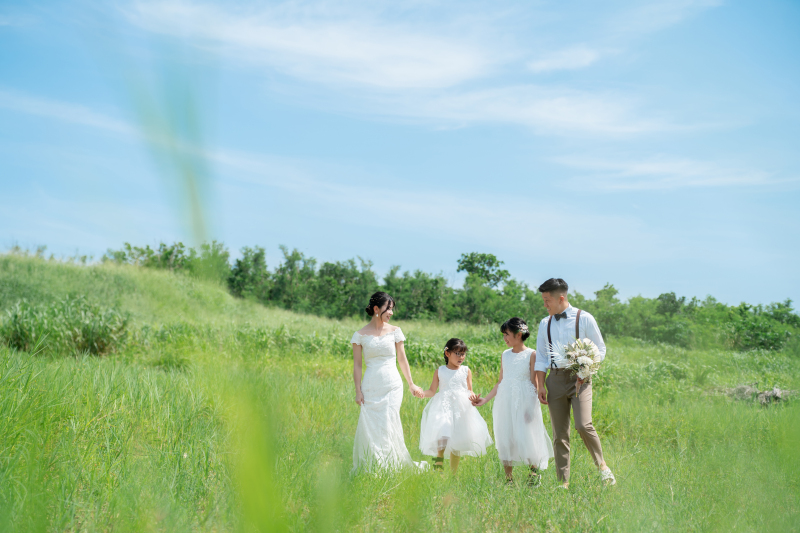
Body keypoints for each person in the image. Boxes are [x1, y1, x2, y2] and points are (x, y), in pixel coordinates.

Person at [533, 278, 616, 487]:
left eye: (547, 300)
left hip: (581, 379)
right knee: (559, 434)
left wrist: (587, 369)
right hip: (555, 379)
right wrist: (541, 385)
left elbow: (601, 349)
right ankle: (563, 483)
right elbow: (542, 357)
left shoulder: (585, 318)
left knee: (582, 424)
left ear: (560, 298)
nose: (545, 305)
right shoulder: (545, 323)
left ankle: (603, 468)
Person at [472, 318, 553, 485]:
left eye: (507, 334)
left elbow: (534, 383)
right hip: (505, 399)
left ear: (519, 334)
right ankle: (508, 478)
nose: (504, 338)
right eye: (503, 335)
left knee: (527, 435)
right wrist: (485, 399)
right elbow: (501, 381)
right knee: (505, 436)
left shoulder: (532, 354)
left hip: (524, 400)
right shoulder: (505, 354)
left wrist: (530, 407)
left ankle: (534, 474)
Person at [351, 292, 426, 472]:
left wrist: (411, 383)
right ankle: (375, 464)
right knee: (371, 425)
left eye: (392, 309)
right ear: (376, 309)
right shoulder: (360, 335)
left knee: (388, 421)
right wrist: (358, 391)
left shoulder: (395, 331)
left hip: (392, 384)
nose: (391, 312)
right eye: (388, 308)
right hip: (370, 386)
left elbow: (402, 359)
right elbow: (358, 365)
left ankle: (391, 465)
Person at [418, 338, 493, 473]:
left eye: (463, 354)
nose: (461, 357)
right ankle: (438, 466)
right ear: (447, 354)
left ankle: (453, 474)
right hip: (443, 406)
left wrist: (473, 397)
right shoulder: (440, 371)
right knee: (442, 435)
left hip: (461, 408)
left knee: (458, 440)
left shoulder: (466, 370)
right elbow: (432, 391)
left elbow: (469, 389)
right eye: (457, 353)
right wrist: (422, 393)